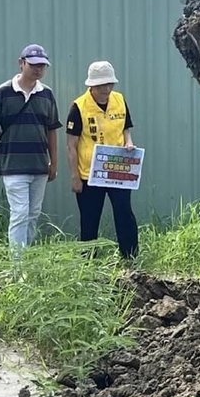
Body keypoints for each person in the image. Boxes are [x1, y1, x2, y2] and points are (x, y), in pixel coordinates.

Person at [0, 44, 62, 253]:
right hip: (13, 165)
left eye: (42, 65)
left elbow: (52, 130)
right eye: (33, 65)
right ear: (21, 63)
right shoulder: (3, 92)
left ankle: (26, 258)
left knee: (33, 213)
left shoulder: (47, 94)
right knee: (20, 213)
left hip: (39, 165)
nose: (38, 69)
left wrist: (54, 163)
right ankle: (18, 266)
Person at [66, 60, 139, 259]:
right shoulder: (79, 107)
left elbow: (126, 128)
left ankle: (130, 258)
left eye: (110, 84)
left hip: (118, 169)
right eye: (101, 86)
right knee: (89, 219)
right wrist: (75, 177)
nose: (106, 89)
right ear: (91, 85)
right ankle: (88, 261)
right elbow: (71, 145)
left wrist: (128, 143)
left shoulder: (119, 100)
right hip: (89, 174)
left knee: (124, 213)